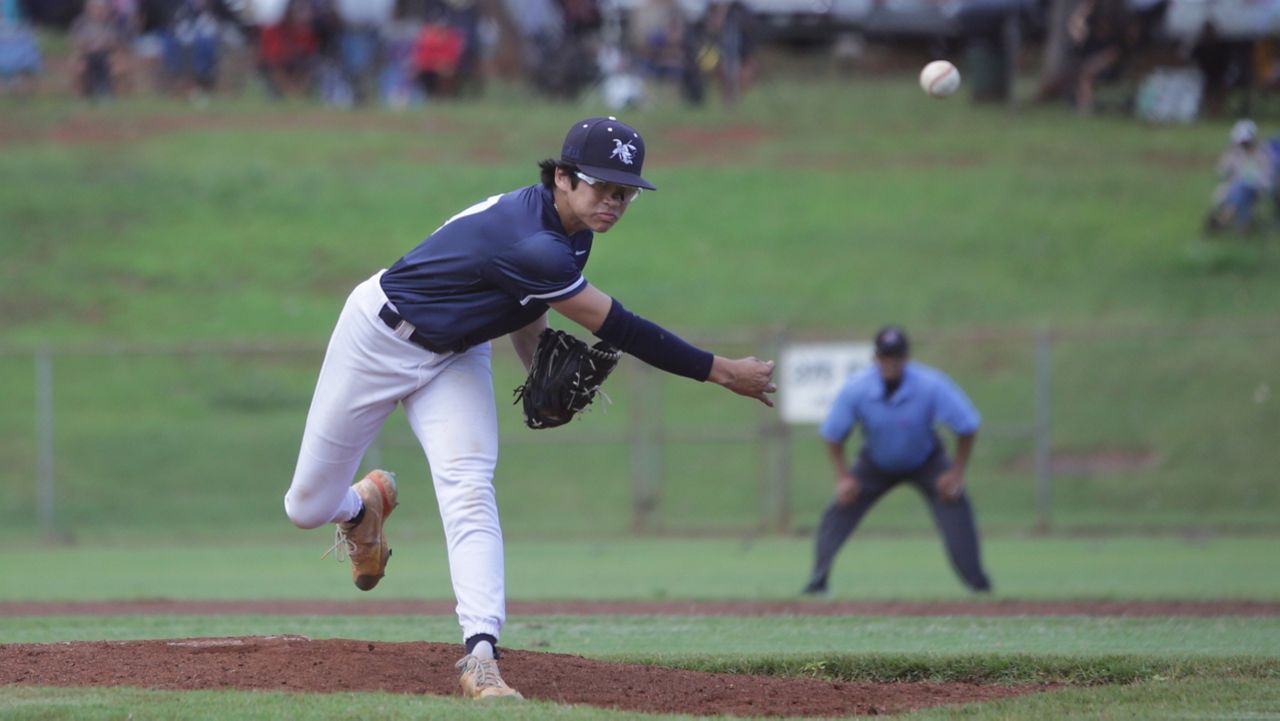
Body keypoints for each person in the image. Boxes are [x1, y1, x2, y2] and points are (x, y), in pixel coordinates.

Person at [283, 116, 777, 700]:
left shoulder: (572, 229)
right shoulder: (533, 239)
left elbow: (524, 301)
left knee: (469, 486)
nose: (614, 203)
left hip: (456, 354)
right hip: (378, 338)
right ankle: (359, 508)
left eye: (625, 193)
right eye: (601, 187)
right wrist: (722, 371)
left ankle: (480, 655)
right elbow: (620, 326)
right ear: (562, 177)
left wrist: (534, 357)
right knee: (307, 507)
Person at [802, 326, 992, 596]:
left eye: (896, 356)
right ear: (875, 358)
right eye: (884, 356)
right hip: (876, 462)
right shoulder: (857, 388)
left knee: (955, 503)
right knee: (840, 508)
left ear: (906, 357)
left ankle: (978, 585)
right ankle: (817, 581)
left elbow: (967, 425)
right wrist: (843, 477)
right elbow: (833, 434)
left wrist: (956, 474)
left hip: (927, 460)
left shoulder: (931, 385)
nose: (890, 363)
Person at [1205, 119, 1274, 234]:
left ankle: (1222, 221)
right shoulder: (1234, 152)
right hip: (1235, 189)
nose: (1243, 144)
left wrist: (1254, 182)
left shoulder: (1263, 153)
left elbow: (1266, 178)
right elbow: (1222, 171)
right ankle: (1242, 228)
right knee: (1242, 191)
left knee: (1243, 187)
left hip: (1256, 189)